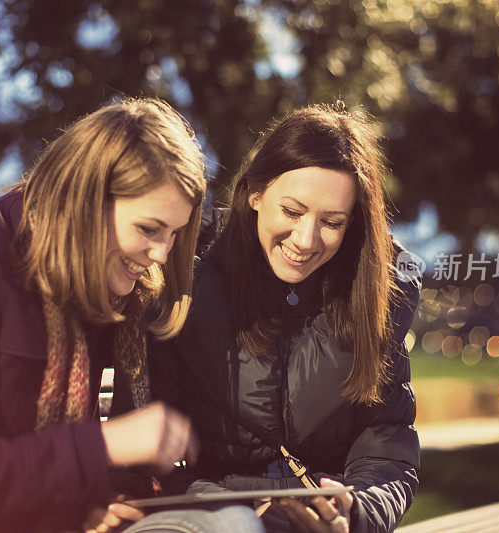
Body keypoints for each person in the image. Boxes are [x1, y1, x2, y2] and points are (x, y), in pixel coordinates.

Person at [0, 98, 262, 533]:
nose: (161, 255)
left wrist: (94, 501)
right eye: (149, 229)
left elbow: (61, 465)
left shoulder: (98, 300)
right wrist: (104, 445)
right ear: (84, 204)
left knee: (234, 523)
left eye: (173, 235)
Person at [151, 104, 421, 533]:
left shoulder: (377, 300)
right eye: (292, 212)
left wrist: (355, 513)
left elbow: (387, 448)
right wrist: (240, 514)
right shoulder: (184, 280)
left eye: (331, 222)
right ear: (255, 194)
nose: (306, 239)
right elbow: (157, 460)